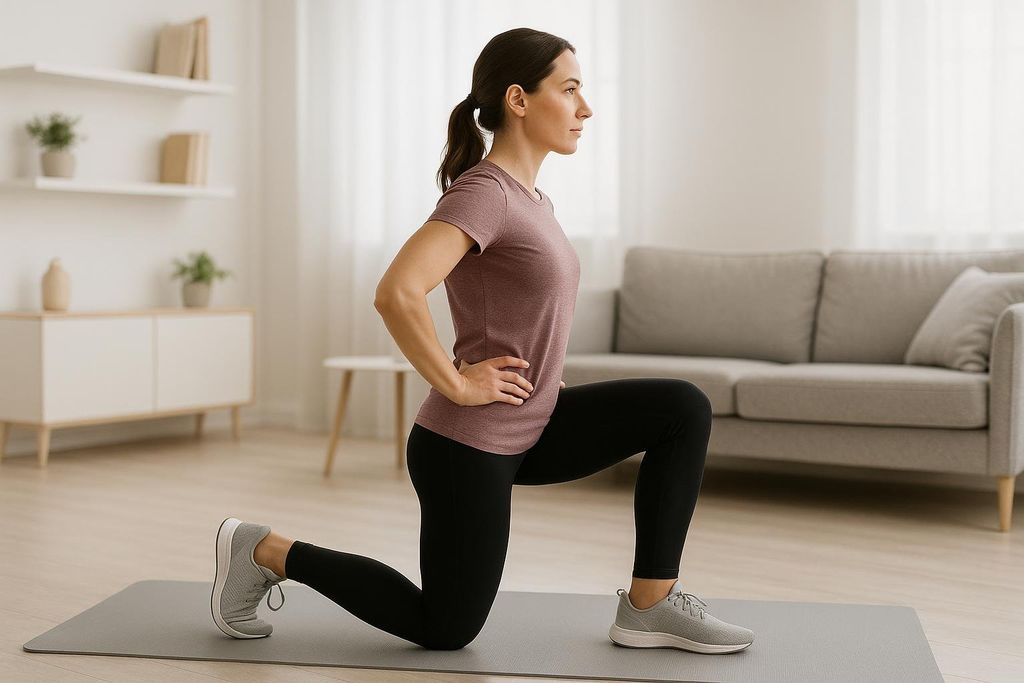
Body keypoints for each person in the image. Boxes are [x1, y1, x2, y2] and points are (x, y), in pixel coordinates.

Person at [211, 27, 755, 654]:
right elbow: (397, 291)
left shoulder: (534, 200)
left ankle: (650, 606)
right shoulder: (485, 193)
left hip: (536, 422)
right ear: (518, 99)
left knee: (681, 408)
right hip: (468, 444)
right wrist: (456, 383)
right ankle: (263, 550)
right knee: (445, 628)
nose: (585, 108)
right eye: (569, 90)